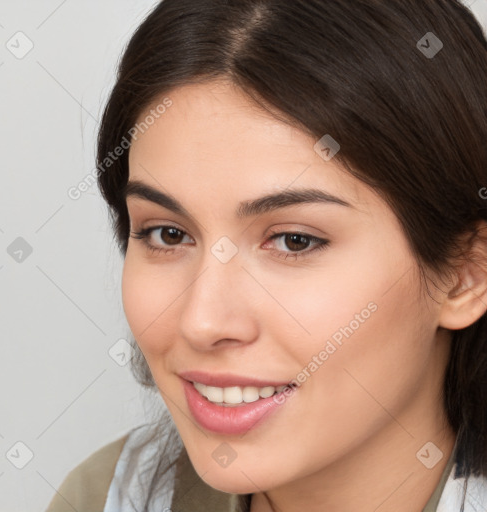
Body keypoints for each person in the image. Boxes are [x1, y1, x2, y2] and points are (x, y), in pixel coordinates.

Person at [45, 0, 487, 510]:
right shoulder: (106, 496)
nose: (202, 322)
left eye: (294, 240)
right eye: (168, 234)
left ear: (465, 275)